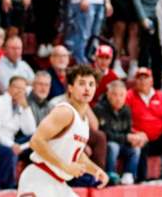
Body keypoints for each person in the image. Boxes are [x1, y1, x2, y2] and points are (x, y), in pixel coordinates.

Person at [17, 65, 108, 196]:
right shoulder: (65, 111)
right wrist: (66, 166)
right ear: (70, 88)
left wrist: (95, 170)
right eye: (81, 83)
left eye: (91, 84)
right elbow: (35, 141)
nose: (87, 88)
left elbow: (76, 153)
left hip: (57, 183)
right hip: (39, 178)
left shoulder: (84, 121)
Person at [94, 80, 143, 186]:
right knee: (113, 146)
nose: (118, 98)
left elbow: (128, 130)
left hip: (122, 143)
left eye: (121, 95)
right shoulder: (100, 108)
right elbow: (105, 134)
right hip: (106, 145)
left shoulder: (127, 109)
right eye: (115, 94)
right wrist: (127, 138)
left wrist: (135, 138)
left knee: (136, 149)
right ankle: (111, 173)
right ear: (108, 94)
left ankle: (129, 174)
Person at [0, 76, 36, 171]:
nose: (19, 92)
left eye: (23, 89)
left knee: (37, 142)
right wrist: (11, 145)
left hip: (12, 142)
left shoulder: (21, 105)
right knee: (8, 152)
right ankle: (1, 184)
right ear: (9, 87)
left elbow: (30, 131)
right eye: (17, 87)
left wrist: (26, 107)